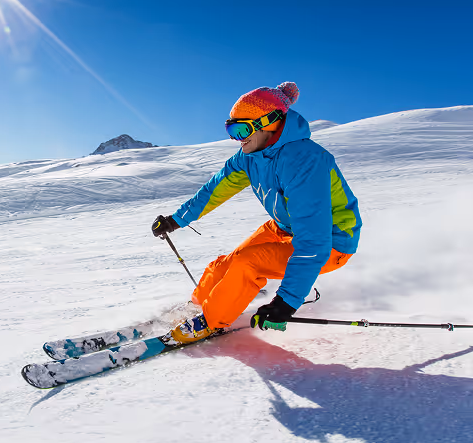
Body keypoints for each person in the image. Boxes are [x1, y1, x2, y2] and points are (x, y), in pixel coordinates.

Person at [151, 82, 361, 343]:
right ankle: (198, 305)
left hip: (331, 241)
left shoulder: (304, 160)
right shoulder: (249, 156)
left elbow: (313, 239)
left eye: (242, 130)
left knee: (247, 263)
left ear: (269, 122)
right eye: (231, 130)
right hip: (284, 227)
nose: (237, 139)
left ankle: (210, 321)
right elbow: (216, 189)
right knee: (225, 264)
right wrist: (176, 220)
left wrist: (286, 302)